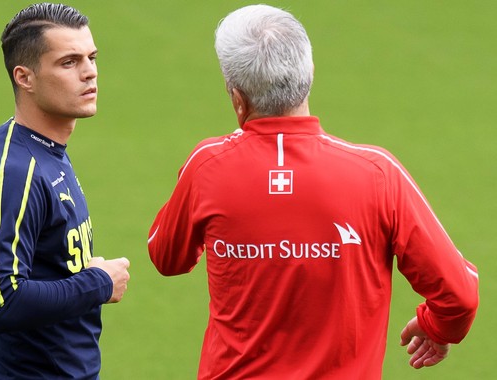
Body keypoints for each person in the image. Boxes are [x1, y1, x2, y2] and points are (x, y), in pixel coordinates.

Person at [147, 4, 479, 379]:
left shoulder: (207, 165)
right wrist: (437, 329)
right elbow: (460, 296)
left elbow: (167, 257)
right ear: (310, 75)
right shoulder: (377, 173)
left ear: (237, 97)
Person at [0, 3, 130, 379]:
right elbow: (1, 301)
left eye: (91, 57)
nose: (90, 73)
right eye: (68, 62)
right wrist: (98, 283)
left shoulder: (38, 148)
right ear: (25, 77)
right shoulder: (17, 171)